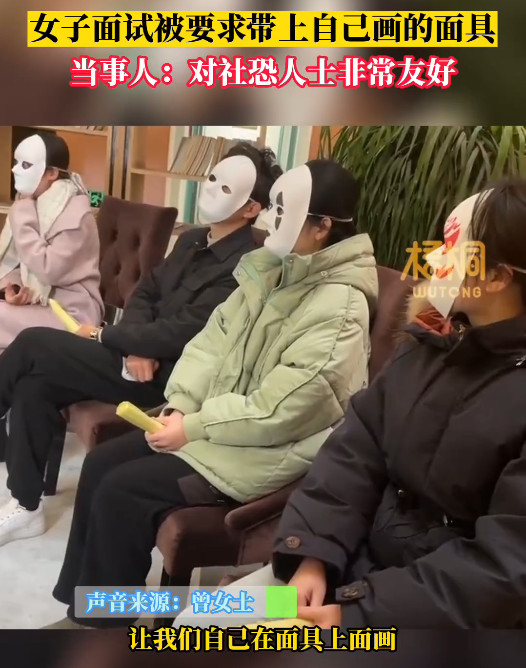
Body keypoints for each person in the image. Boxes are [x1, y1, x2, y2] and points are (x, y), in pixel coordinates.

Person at [47, 158, 378, 629]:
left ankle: (107, 628)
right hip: (218, 429)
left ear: (323, 226)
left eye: (283, 212)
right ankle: (85, 607)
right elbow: (210, 344)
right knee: (101, 463)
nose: (271, 221)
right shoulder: (272, 271)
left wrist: (194, 427)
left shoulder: (341, 306)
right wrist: (182, 404)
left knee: (124, 492)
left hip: (267, 451)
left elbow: (284, 409)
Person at [184, 180, 526, 630]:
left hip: (423, 618)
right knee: (196, 626)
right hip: (343, 569)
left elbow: (504, 568)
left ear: (498, 276)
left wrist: (358, 611)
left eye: (453, 250)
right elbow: (356, 450)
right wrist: (313, 553)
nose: (432, 260)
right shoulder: (433, 337)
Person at [0, 141, 281, 544]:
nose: (209, 188)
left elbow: (188, 330)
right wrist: (134, 346)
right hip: (134, 356)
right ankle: (26, 506)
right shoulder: (192, 240)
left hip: (170, 380)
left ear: (251, 208)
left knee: (32, 344)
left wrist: (108, 335)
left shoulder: (246, 264)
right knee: (34, 384)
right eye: (212, 177)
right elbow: (146, 291)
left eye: (224, 187)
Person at [0, 132, 103, 352]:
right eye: (16, 163)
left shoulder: (76, 216)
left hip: (71, 314)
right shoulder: (31, 204)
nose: (15, 170)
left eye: (25, 165)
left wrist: (22, 217)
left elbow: (48, 270)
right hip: (39, 304)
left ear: (52, 173)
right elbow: (21, 262)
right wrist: (16, 288)